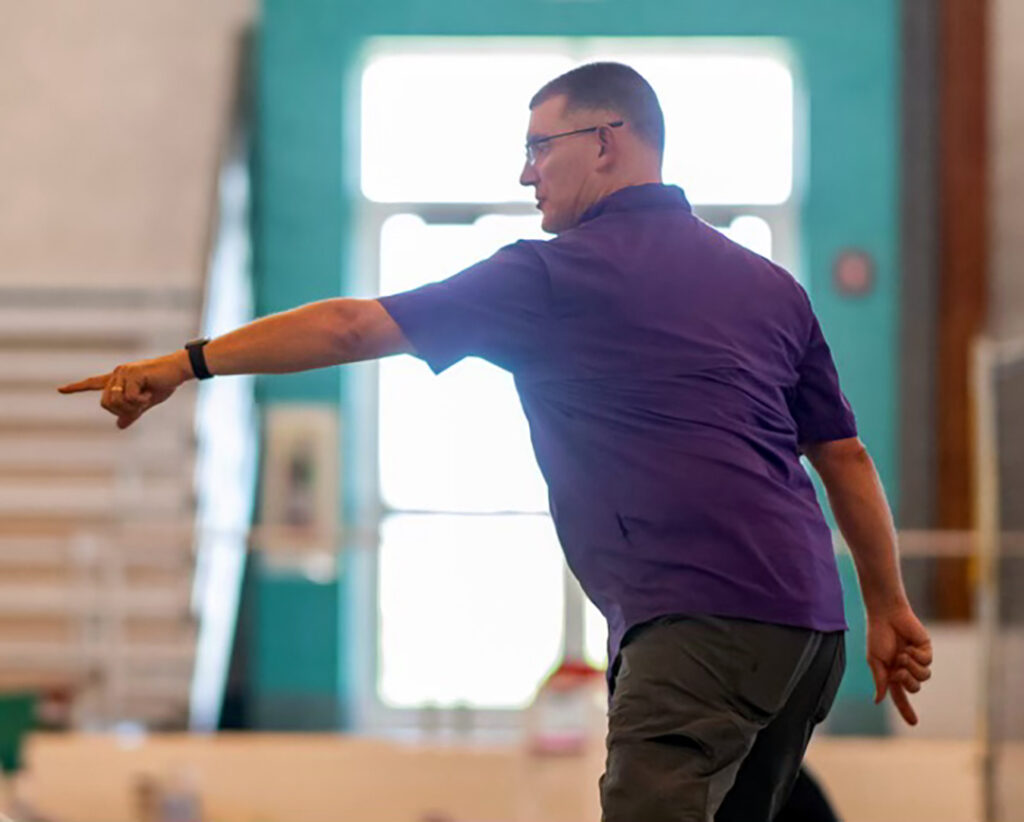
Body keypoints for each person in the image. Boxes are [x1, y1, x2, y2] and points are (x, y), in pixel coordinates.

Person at [59, 62, 932, 821]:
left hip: (694, 626)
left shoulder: (554, 274)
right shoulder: (769, 285)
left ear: (607, 142)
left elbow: (353, 328)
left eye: (538, 146)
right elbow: (844, 456)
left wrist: (190, 361)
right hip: (809, 631)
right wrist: (888, 607)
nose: (525, 174)